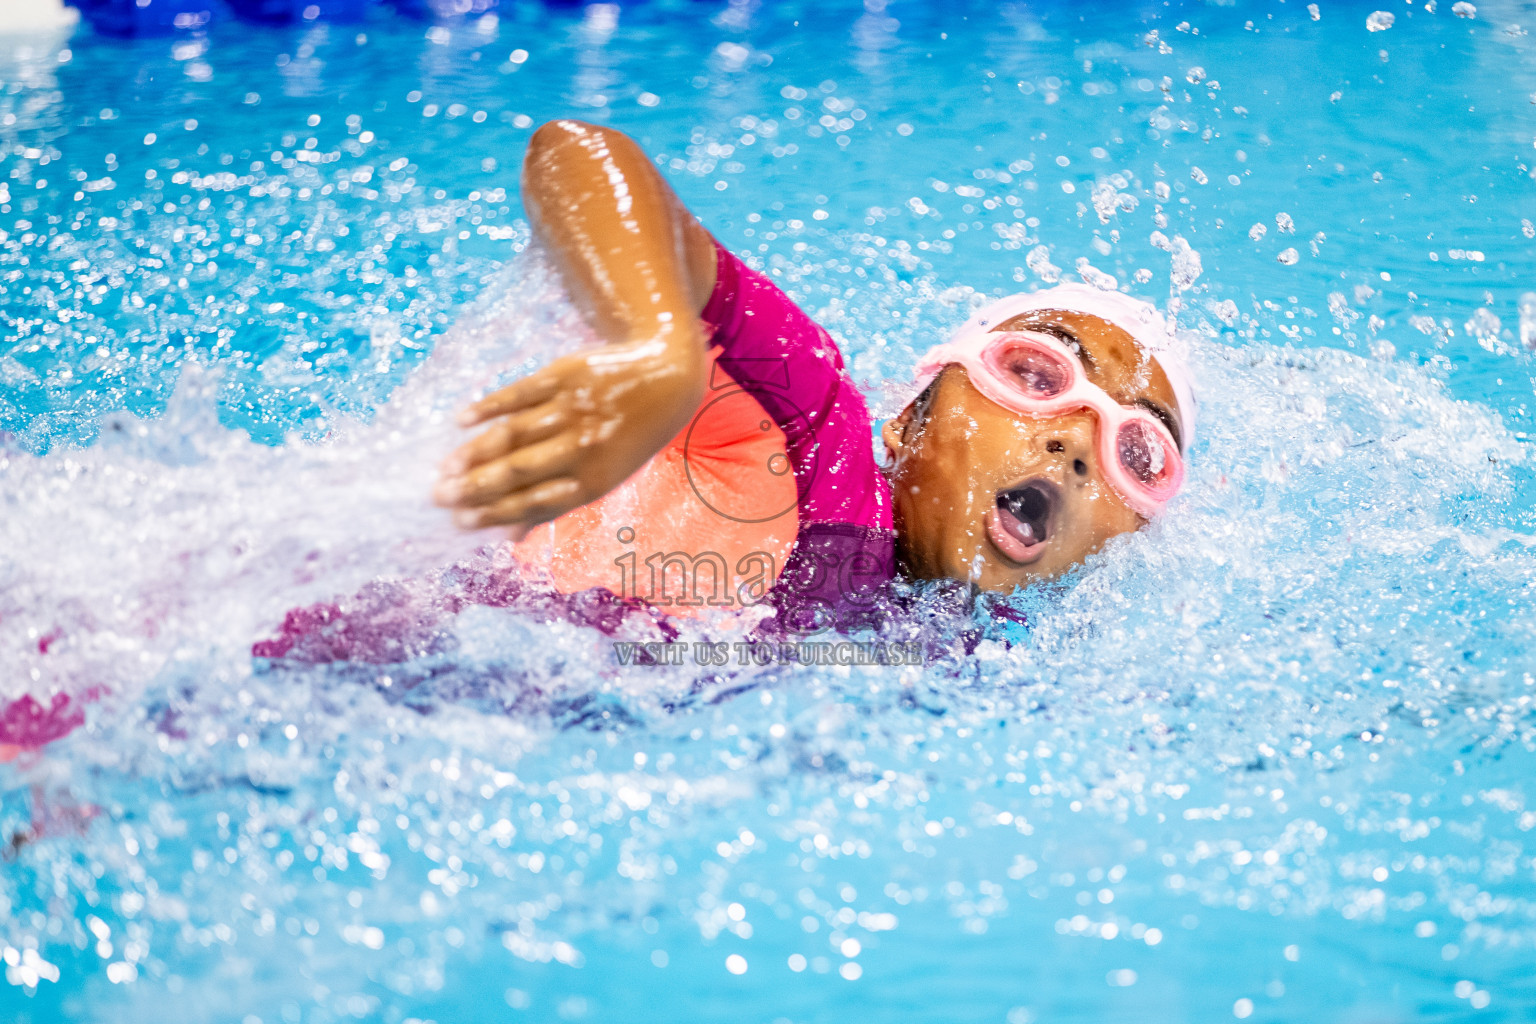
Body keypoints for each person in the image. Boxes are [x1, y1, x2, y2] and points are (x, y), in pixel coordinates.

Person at [431, 119, 1196, 635]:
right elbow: (577, 154)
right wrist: (657, 347)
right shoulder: (809, 430)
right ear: (908, 418)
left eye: (1138, 455)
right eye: (1036, 373)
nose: (1076, 442)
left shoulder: (976, 661)